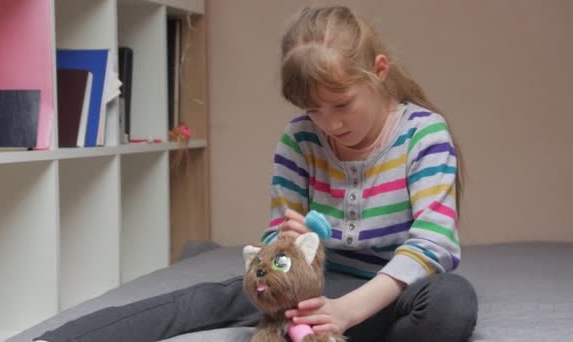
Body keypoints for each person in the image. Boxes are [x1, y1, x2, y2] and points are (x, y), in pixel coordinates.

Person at [35, 5, 477, 342]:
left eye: (342, 104)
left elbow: (433, 242)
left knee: (451, 303)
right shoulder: (299, 140)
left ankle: (331, 330)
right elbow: (273, 245)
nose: (330, 124)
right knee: (212, 297)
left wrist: (348, 312)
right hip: (317, 286)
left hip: (394, 290)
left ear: (378, 72)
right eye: (313, 110)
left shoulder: (423, 133)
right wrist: (287, 243)